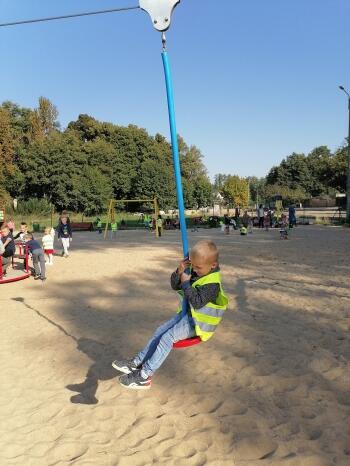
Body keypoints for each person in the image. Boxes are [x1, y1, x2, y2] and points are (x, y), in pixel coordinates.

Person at [112, 240, 228, 390]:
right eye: (193, 266)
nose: (195, 270)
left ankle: (144, 376)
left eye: (198, 267)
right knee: (160, 331)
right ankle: (136, 363)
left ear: (212, 265)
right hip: (187, 316)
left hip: (199, 325)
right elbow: (175, 286)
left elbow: (197, 301)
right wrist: (179, 272)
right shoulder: (197, 270)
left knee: (168, 338)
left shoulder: (213, 284)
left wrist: (186, 283)